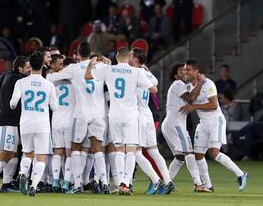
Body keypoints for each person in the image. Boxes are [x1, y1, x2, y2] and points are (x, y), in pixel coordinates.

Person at [85, 47, 158, 195]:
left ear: (117, 57)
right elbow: (154, 90)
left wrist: (90, 64)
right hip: (130, 115)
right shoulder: (137, 72)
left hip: (114, 115)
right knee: (130, 151)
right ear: (128, 56)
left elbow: (87, 76)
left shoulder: (108, 69)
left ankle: (119, 184)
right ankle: (125, 184)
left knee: (118, 150)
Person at [47, 42, 110, 194]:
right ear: (91, 53)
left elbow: (51, 78)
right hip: (98, 114)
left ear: (77, 54)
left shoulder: (73, 68)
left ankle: (77, 185)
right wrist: (103, 60)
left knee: (74, 148)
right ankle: (105, 183)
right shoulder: (101, 66)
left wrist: (48, 72)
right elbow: (110, 64)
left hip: (81, 114)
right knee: (97, 148)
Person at [180, 60, 248, 192]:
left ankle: (241, 174)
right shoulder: (188, 86)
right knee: (198, 154)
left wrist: (194, 106)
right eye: (184, 69)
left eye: (188, 69)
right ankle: (208, 185)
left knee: (214, 153)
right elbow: (190, 99)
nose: (185, 72)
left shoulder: (209, 83)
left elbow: (214, 105)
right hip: (203, 123)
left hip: (215, 121)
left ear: (196, 71)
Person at [10, 51, 57, 197]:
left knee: (28, 154)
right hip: (42, 124)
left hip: (26, 123)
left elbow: (12, 104)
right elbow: (54, 107)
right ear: (43, 65)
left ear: (30, 65)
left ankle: (23, 173)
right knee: (41, 156)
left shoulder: (20, 82)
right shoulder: (48, 84)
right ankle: (34, 185)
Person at [129, 48, 173, 195]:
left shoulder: (132, 73)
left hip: (138, 116)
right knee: (153, 151)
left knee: (135, 152)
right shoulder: (146, 73)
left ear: (135, 59)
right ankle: (168, 181)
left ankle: (156, 180)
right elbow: (155, 82)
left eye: (130, 55)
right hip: (147, 114)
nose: (128, 57)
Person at [161, 62, 211, 192]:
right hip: (176, 124)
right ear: (175, 75)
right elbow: (190, 98)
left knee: (180, 157)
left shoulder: (182, 85)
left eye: (185, 70)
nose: (184, 73)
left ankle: (166, 183)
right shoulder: (178, 84)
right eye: (180, 71)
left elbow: (192, 98)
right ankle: (198, 184)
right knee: (189, 153)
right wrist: (201, 83)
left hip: (172, 124)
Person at [0, 56, 30, 192]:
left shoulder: (9, 75)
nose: (29, 70)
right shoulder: (15, 79)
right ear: (19, 68)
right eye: (28, 67)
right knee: (3, 151)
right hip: (5, 120)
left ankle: (6, 183)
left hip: (11, 121)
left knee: (12, 152)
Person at [49, 56, 77, 192]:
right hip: (70, 121)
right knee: (69, 153)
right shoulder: (75, 81)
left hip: (56, 120)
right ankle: (66, 182)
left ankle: (55, 181)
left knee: (57, 152)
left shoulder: (50, 78)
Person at [233, 94, 263, 160]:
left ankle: (234, 136)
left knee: (253, 124)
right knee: (249, 134)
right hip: (261, 129)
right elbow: (260, 120)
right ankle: (247, 156)